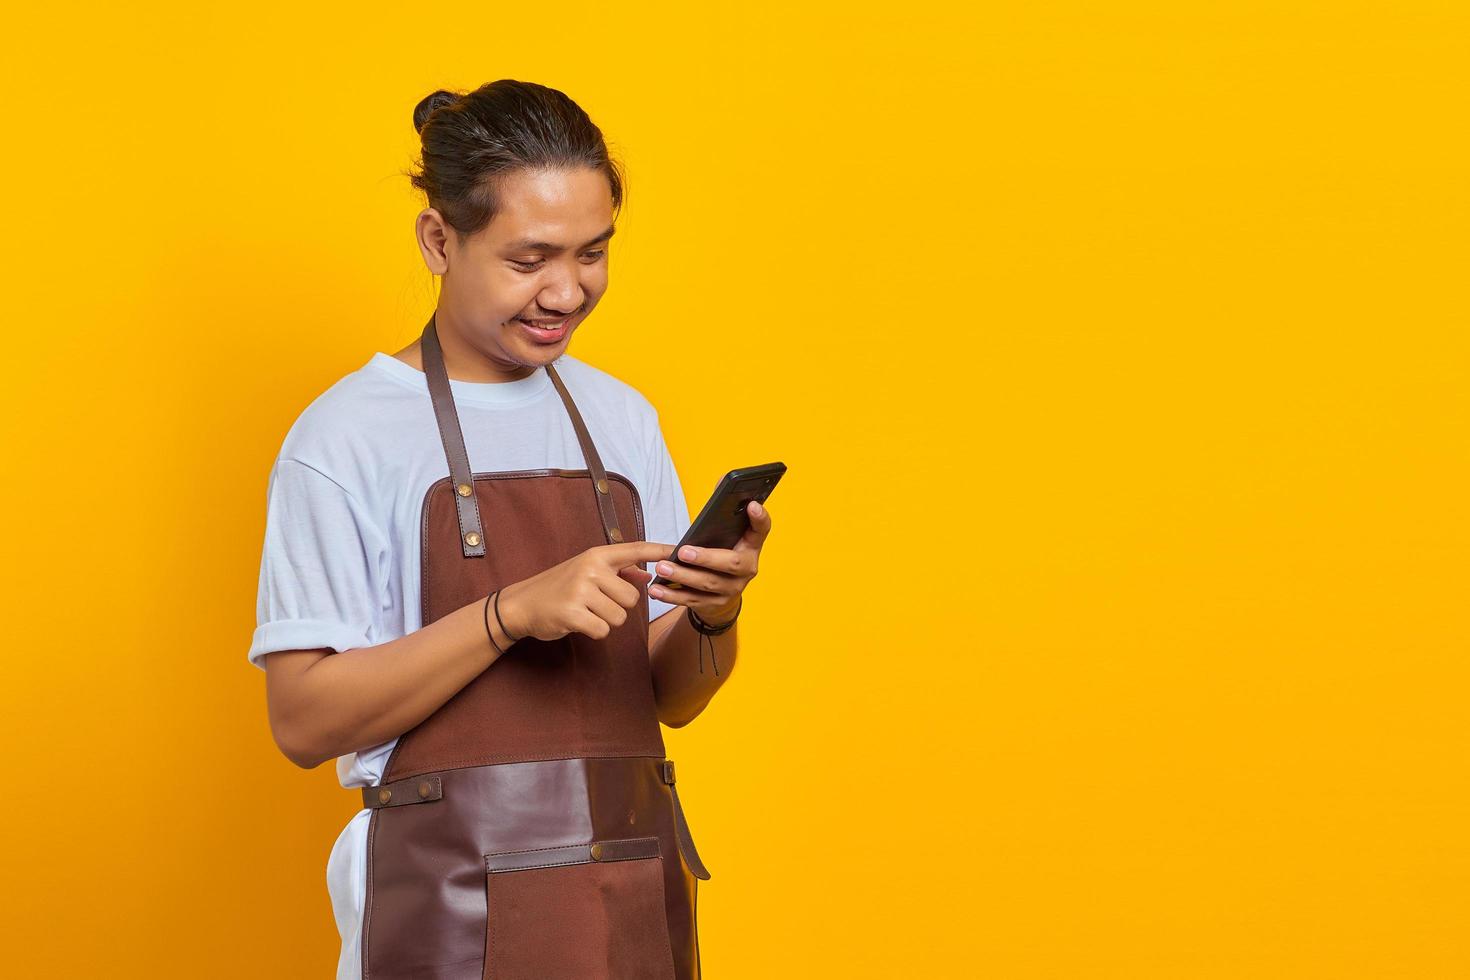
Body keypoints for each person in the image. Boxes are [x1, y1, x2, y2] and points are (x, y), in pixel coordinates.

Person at [247, 78, 771, 980]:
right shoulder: (344, 436)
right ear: (439, 240)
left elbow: (665, 700)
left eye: (593, 253)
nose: (567, 290)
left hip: (628, 893)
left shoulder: (622, 417)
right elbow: (301, 720)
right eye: (530, 260)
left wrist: (713, 612)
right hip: (445, 906)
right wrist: (509, 614)